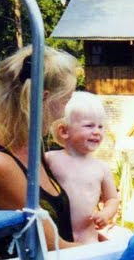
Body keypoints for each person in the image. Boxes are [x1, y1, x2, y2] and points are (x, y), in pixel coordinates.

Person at [0, 46, 81, 260]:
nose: (63, 113)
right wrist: (119, 249)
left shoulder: (28, 147)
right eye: (65, 101)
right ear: (43, 99)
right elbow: (52, 248)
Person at [46, 91, 120, 244]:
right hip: (55, 236)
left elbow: (112, 199)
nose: (97, 132)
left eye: (101, 126)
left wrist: (106, 213)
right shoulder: (51, 159)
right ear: (64, 131)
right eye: (89, 125)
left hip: (88, 235)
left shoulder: (101, 168)